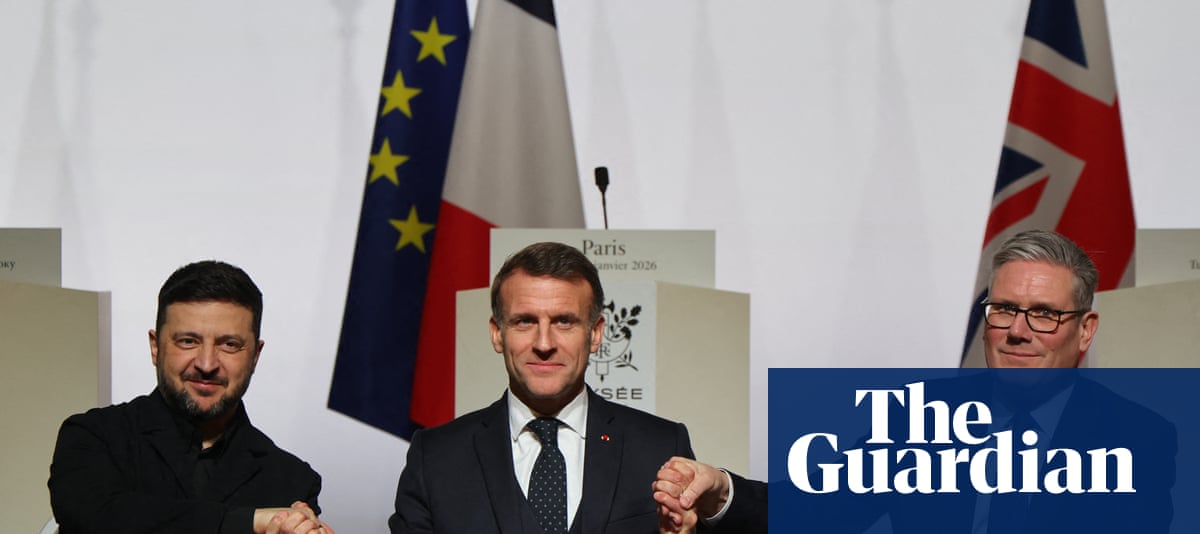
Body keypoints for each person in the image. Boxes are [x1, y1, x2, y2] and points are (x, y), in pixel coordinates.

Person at [653, 229, 1175, 534]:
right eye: (1003, 309)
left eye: (1043, 314)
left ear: (1086, 329)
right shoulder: (922, 415)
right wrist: (720, 489)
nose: (1017, 331)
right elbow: (817, 509)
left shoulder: (1137, 437)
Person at [388, 241, 696, 533]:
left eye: (564, 321)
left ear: (595, 334)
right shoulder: (435, 458)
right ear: (497, 334)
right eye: (525, 321)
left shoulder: (661, 447)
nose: (544, 344)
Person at [49, 260, 334, 534]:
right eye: (188, 341)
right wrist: (248, 522)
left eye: (229, 344)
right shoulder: (94, 438)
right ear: (155, 347)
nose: (206, 364)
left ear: (255, 356)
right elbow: (99, 519)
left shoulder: (292, 481)